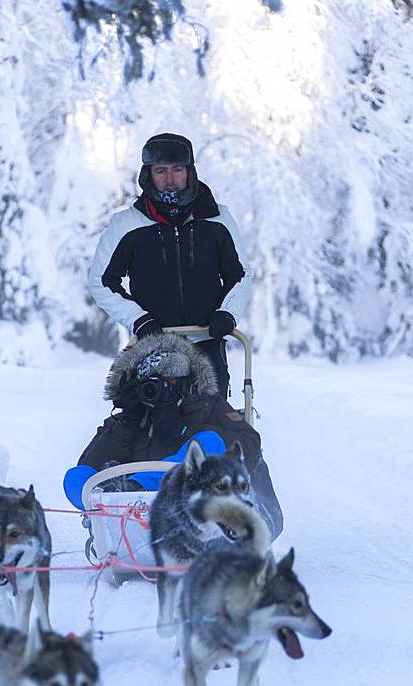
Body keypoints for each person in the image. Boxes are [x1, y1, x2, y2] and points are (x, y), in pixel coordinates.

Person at [63, 332, 283, 540]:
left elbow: (249, 447)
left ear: (184, 382)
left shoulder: (207, 406)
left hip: (211, 510)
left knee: (208, 442)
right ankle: (118, 505)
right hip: (133, 521)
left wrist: (185, 420)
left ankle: (137, 492)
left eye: (167, 382)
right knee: (75, 477)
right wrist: (129, 422)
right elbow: (88, 466)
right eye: (150, 384)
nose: (157, 390)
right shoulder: (131, 419)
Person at [88, 132, 251, 400]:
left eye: (178, 169)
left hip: (206, 342)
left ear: (190, 172)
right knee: (152, 424)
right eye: (160, 171)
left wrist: (227, 313)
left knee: (210, 419)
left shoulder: (217, 220)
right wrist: (139, 319)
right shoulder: (127, 225)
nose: (170, 179)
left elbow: (240, 275)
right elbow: (102, 282)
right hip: (154, 343)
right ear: (148, 175)